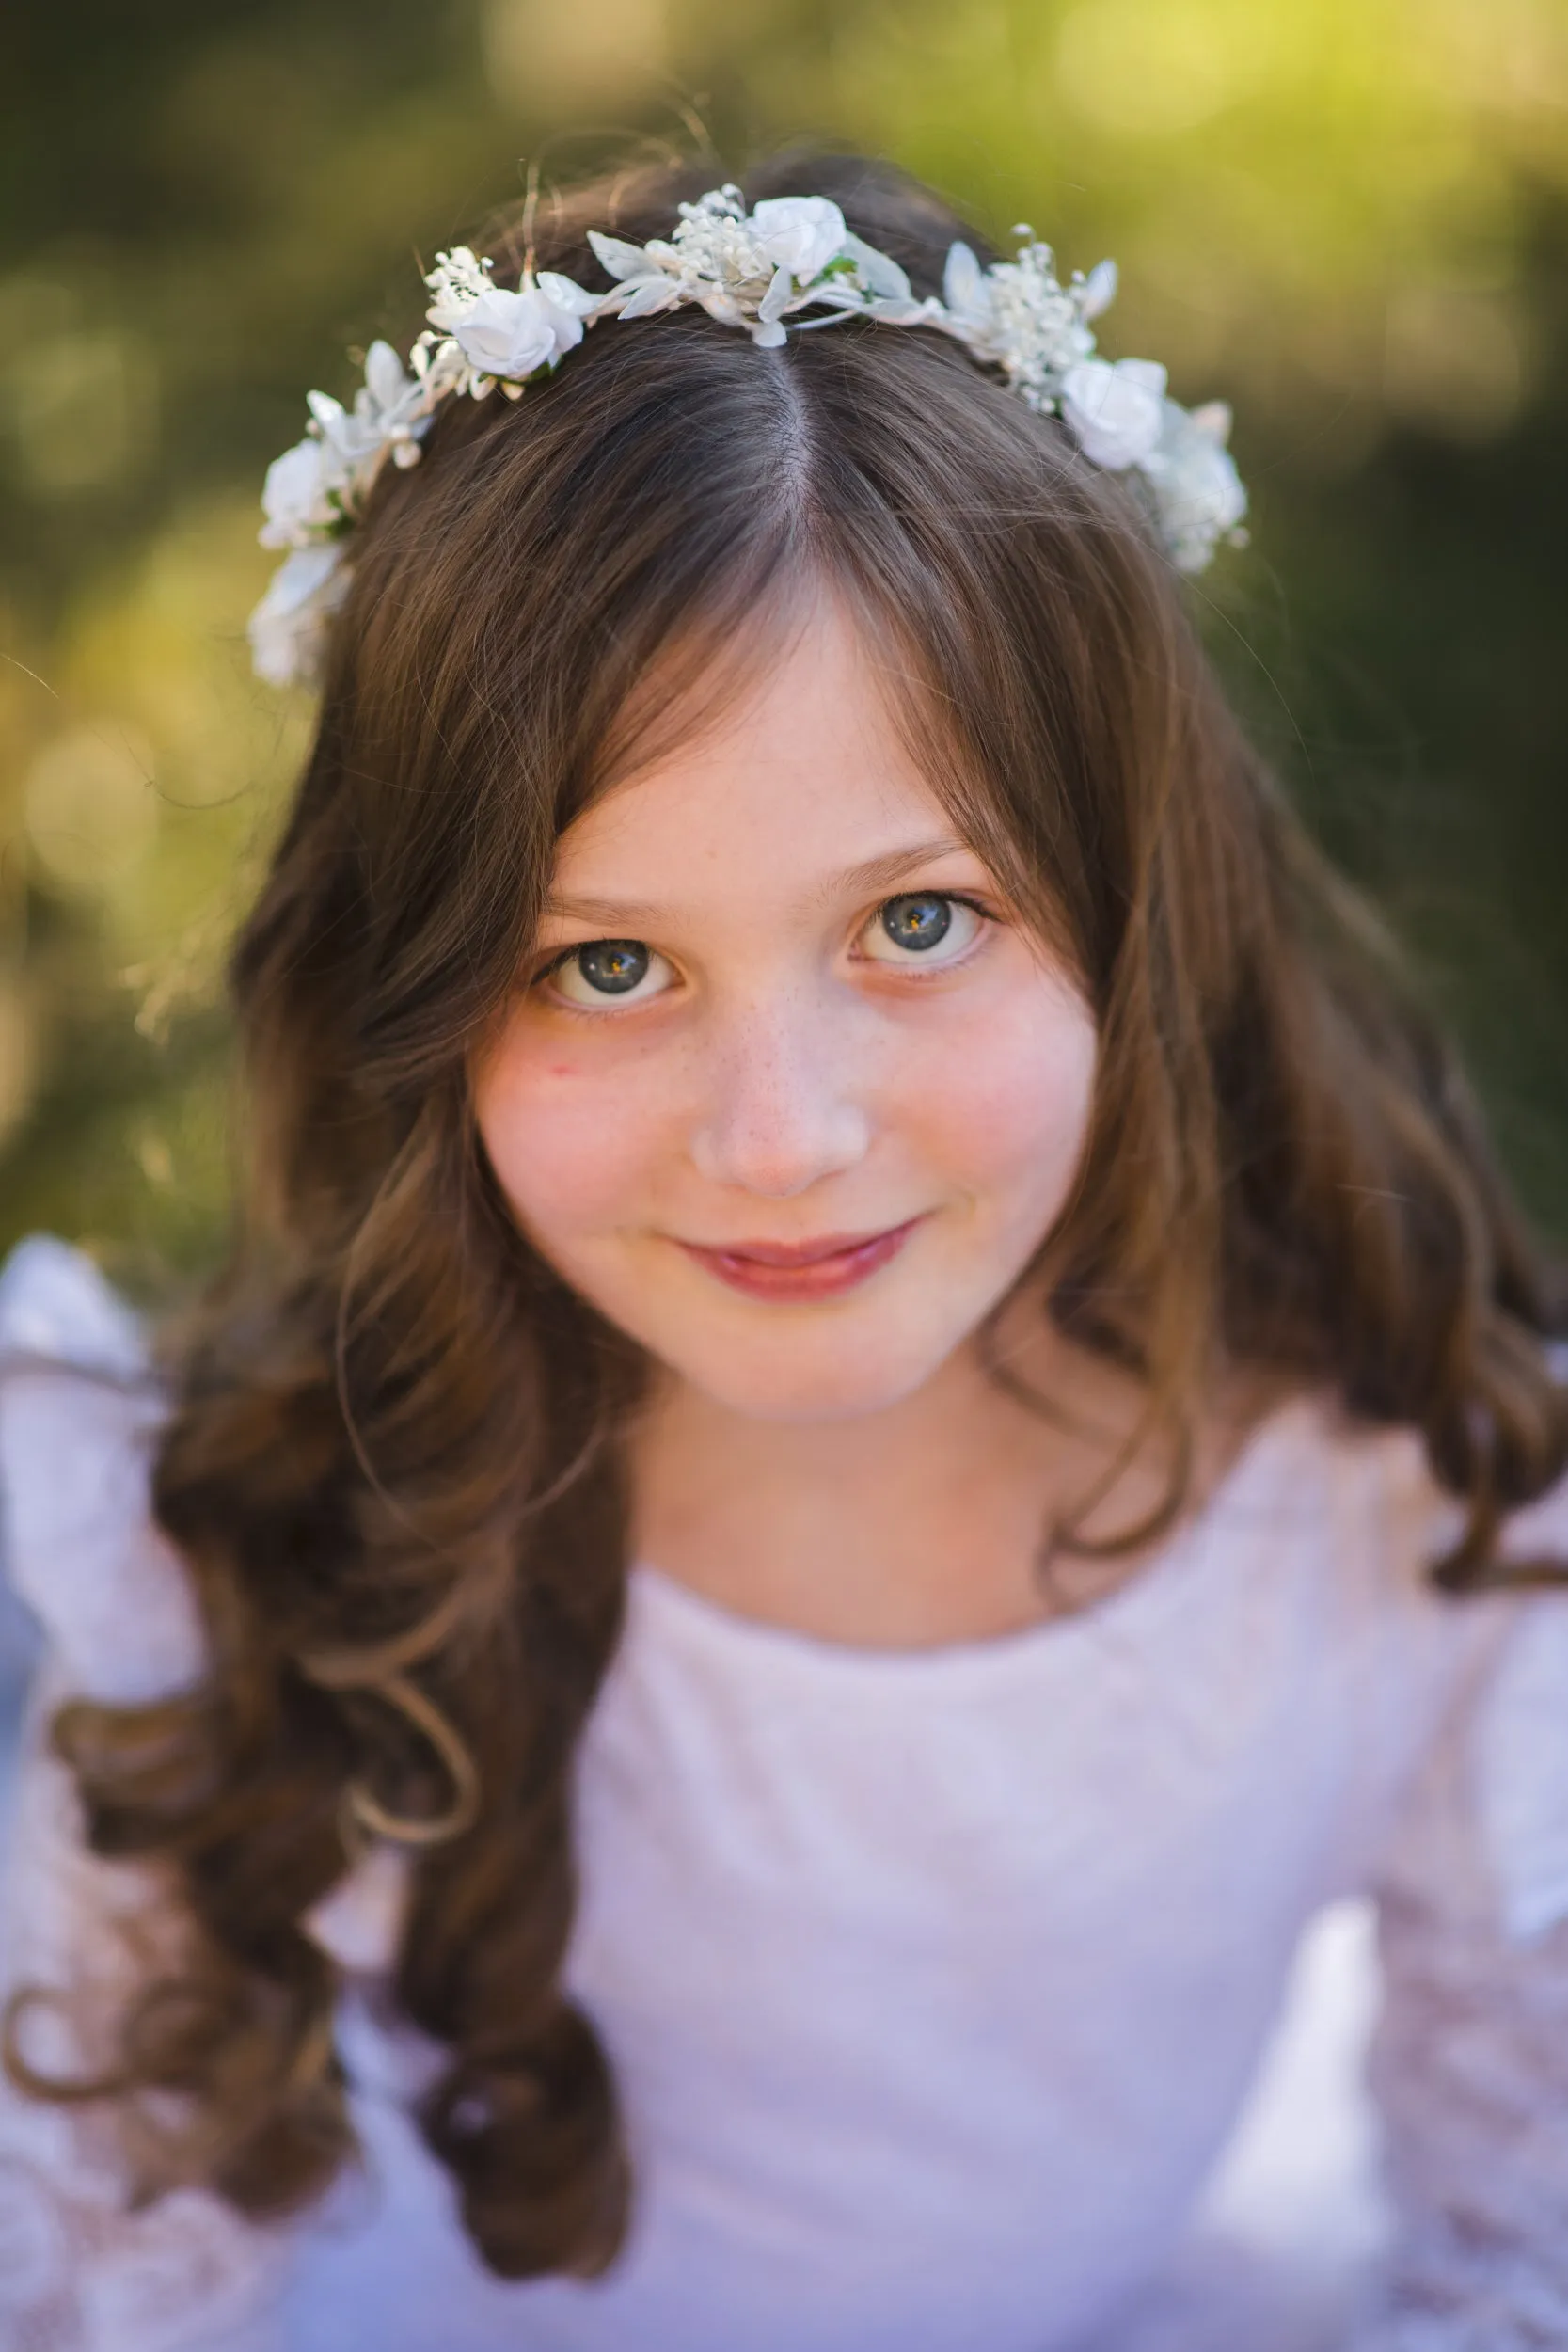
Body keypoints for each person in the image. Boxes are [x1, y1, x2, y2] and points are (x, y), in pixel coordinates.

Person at [1, 150, 1565, 2352]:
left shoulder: (1407, 1489)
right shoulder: (277, 1526)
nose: (782, 1139)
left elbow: (1527, 2241)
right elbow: (75, 2262)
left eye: (917, 922)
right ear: (419, 981)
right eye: (604, 965)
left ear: (1140, 903)